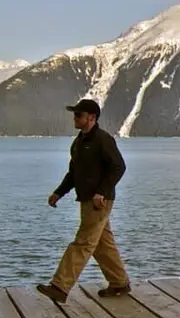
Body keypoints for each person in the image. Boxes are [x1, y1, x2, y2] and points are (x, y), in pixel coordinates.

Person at [36, 98, 131, 304]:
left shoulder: (103, 140)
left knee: (83, 242)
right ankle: (119, 283)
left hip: (99, 201)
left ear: (92, 118)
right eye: (74, 114)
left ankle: (60, 286)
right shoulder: (79, 142)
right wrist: (59, 193)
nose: (75, 118)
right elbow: (73, 173)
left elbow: (119, 167)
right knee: (101, 244)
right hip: (86, 199)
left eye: (78, 115)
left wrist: (102, 192)